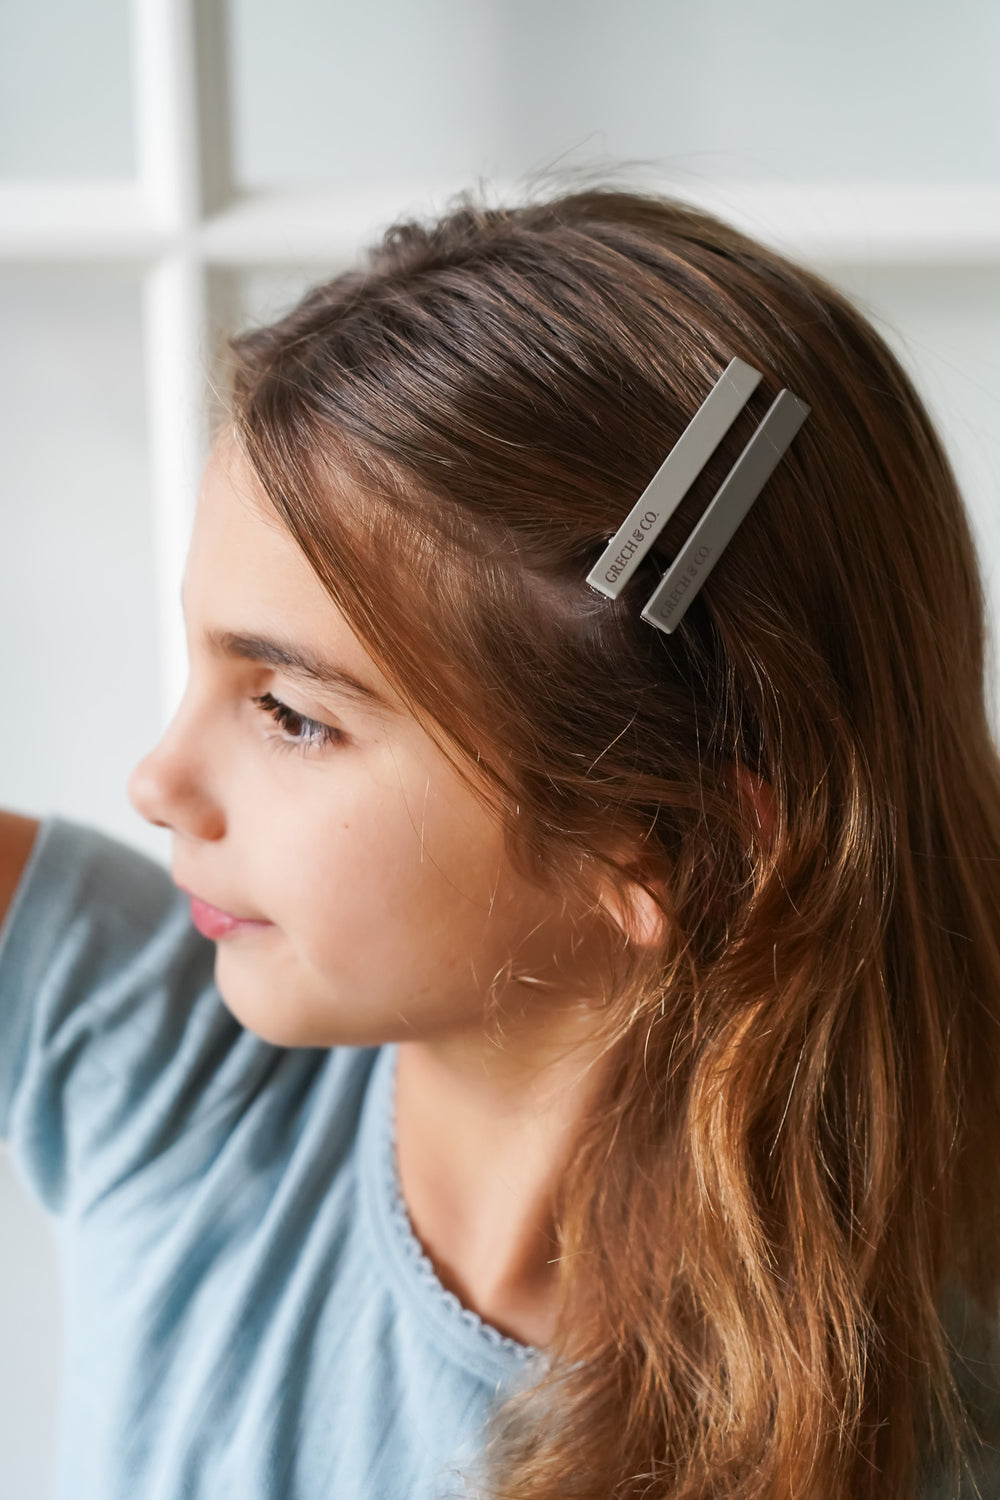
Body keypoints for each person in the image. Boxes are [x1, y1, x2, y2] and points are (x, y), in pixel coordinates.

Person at [2, 183, 1000, 1500]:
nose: (157, 781)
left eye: (290, 715)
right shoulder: (168, 1060)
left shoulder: (930, 1439)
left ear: (665, 839)